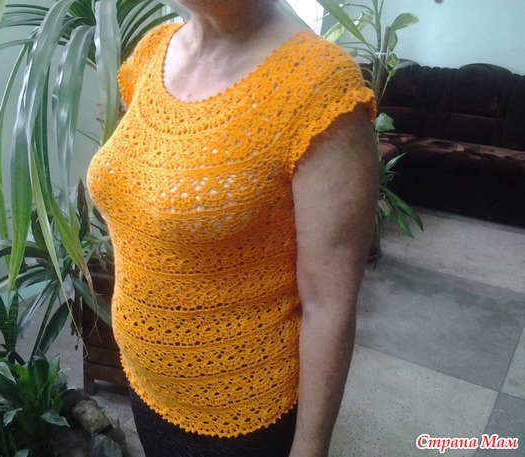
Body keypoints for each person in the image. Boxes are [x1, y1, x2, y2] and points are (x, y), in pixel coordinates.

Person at [86, 0, 378, 455]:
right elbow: (142, 198)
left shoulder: (319, 85)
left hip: (242, 416)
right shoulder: (152, 50)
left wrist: (310, 447)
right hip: (145, 385)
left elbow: (329, 305)